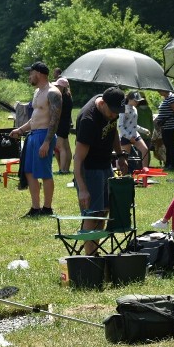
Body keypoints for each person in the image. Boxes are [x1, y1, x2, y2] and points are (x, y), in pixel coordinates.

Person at [74, 86, 126, 254]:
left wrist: (120, 155)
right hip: (89, 170)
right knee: (92, 214)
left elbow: (113, 131)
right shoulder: (88, 120)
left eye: (118, 113)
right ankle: (89, 258)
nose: (115, 116)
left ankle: (95, 251)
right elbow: (78, 159)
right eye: (112, 112)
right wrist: (82, 188)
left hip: (105, 166)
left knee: (104, 211)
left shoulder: (110, 107)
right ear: (102, 104)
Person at [10, 61, 62, 217]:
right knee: (29, 172)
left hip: (44, 135)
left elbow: (54, 119)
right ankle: (35, 208)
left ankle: (47, 208)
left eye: (31, 73)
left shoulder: (53, 93)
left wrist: (47, 141)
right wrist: (20, 129)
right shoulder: (37, 92)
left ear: (39, 74)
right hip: (33, 135)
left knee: (45, 173)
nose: (29, 76)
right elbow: (34, 118)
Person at [118, 92, 149, 170]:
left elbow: (134, 125)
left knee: (145, 150)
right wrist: (129, 137)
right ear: (129, 99)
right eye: (136, 100)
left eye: (138, 100)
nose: (137, 102)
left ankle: (145, 170)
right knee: (124, 157)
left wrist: (144, 131)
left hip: (135, 134)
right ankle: (122, 175)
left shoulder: (135, 109)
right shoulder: (123, 109)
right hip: (126, 136)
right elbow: (120, 126)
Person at [156, 89, 174, 171]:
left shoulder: (171, 97)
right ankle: (168, 163)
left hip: (170, 125)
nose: (158, 92)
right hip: (165, 125)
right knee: (167, 145)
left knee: (170, 145)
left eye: (160, 90)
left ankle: (172, 165)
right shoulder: (166, 98)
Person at [54, 77, 74, 174]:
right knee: (66, 147)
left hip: (61, 124)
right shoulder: (68, 96)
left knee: (60, 147)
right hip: (66, 124)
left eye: (58, 85)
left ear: (62, 86)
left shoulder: (62, 98)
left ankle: (62, 170)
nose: (56, 87)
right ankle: (66, 168)